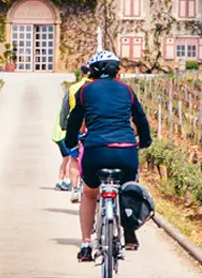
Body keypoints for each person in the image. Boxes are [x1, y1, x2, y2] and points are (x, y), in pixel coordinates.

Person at [64, 50, 152, 262]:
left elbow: (74, 120)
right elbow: (140, 119)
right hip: (126, 150)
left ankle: (86, 245)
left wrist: (70, 143)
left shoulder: (85, 91)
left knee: (89, 194)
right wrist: (145, 141)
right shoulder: (127, 91)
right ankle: (129, 233)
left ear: (92, 71)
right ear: (116, 71)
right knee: (128, 189)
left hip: (96, 151)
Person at [51, 64, 89, 202]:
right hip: (96, 127)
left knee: (74, 158)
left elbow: (65, 109)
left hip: (76, 127)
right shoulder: (101, 87)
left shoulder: (73, 88)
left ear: (82, 74)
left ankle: (74, 189)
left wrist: (64, 125)